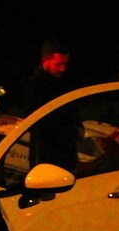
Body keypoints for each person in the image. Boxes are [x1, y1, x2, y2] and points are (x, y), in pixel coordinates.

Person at [18, 38, 78, 171]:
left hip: (67, 155)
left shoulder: (65, 83)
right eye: (58, 64)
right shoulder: (33, 86)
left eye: (65, 64)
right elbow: (37, 122)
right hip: (46, 157)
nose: (63, 69)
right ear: (45, 61)